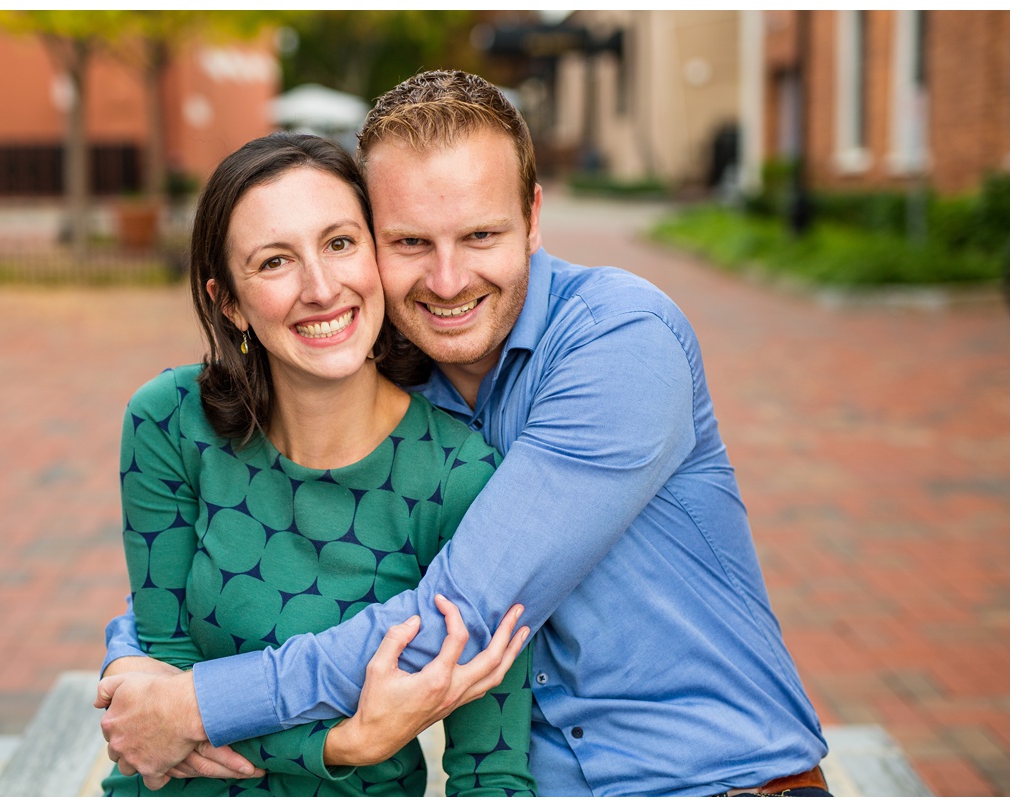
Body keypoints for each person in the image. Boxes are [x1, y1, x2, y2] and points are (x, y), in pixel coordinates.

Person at [98, 70, 831, 797]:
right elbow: (211, 566)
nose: (448, 280)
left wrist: (194, 703)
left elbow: (461, 612)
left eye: (480, 234)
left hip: (721, 780)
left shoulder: (621, 342)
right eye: (411, 241)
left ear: (534, 217)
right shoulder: (392, 379)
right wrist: (130, 665)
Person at [100, 131, 536, 797]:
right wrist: (347, 742)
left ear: (377, 255)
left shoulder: (461, 474)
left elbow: (491, 768)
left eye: (340, 243)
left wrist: (197, 721)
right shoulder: (169, 421)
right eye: (275, 261)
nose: (322, 287)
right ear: (229, 302)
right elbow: (159, 700)